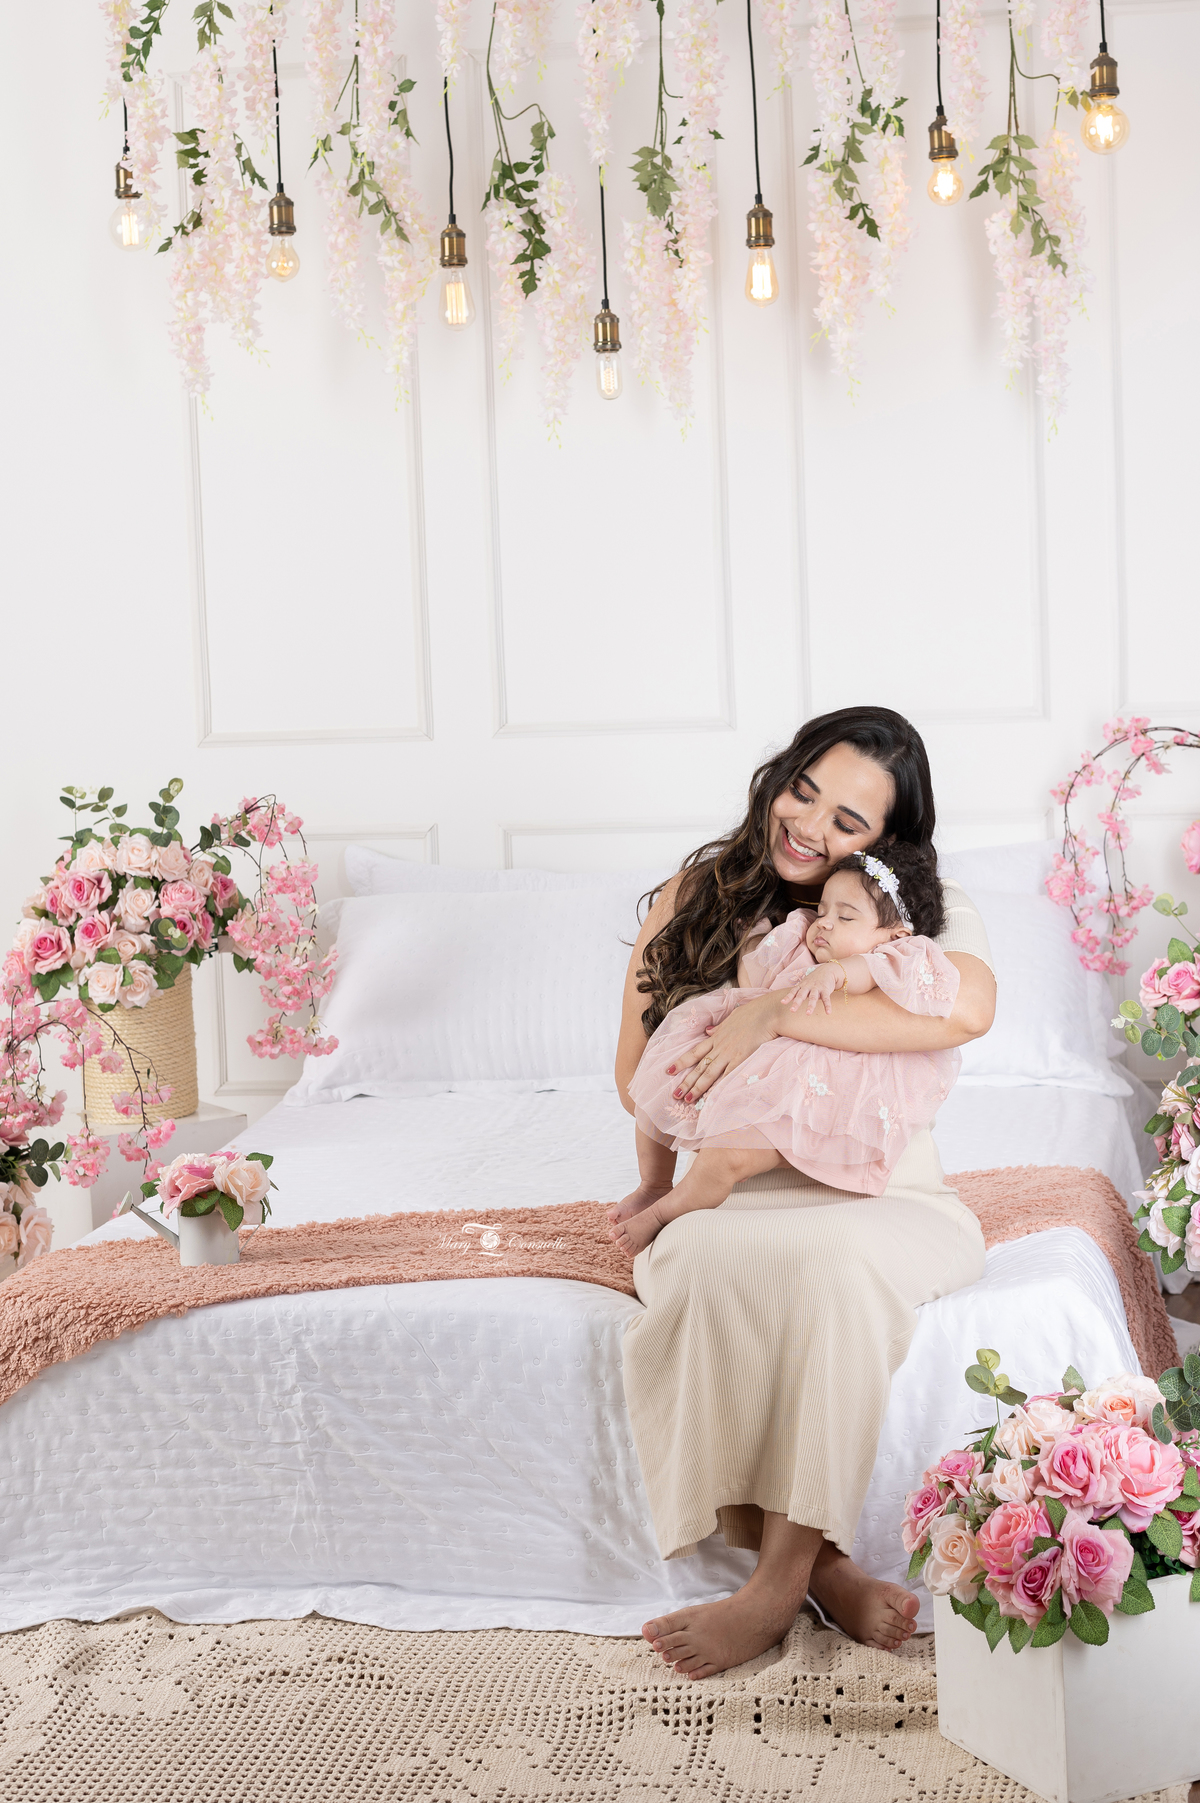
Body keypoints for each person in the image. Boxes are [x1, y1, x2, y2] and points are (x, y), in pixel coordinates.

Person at [614, 706, 996, 1679]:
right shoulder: (695, 894)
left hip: (881, 1194)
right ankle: (829, 1572)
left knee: (829, 1272)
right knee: (707, 1269)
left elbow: (964, 1011)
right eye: (804, 791)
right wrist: (722, 1054)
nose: (811, 828)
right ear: (778, 775)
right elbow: (635, 1080)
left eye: (849, 823)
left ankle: (776, 1584)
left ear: (887, 843)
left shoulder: (904, 906)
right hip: (724, 1186)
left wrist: (772, 1013)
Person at [610, 843, 961, 1256]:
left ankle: (664, 1213)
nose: (825, 923)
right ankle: (653, 1184)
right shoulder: (804, 937)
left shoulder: (900, 953)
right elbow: (757, 973)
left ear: (895, 933)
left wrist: (835, 971)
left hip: (825, 1077)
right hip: (760, 1055)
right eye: (824, 909)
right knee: (665, 1084)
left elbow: (873, 971)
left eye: (845, 916)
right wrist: (756, 935)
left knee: (728, 1157)